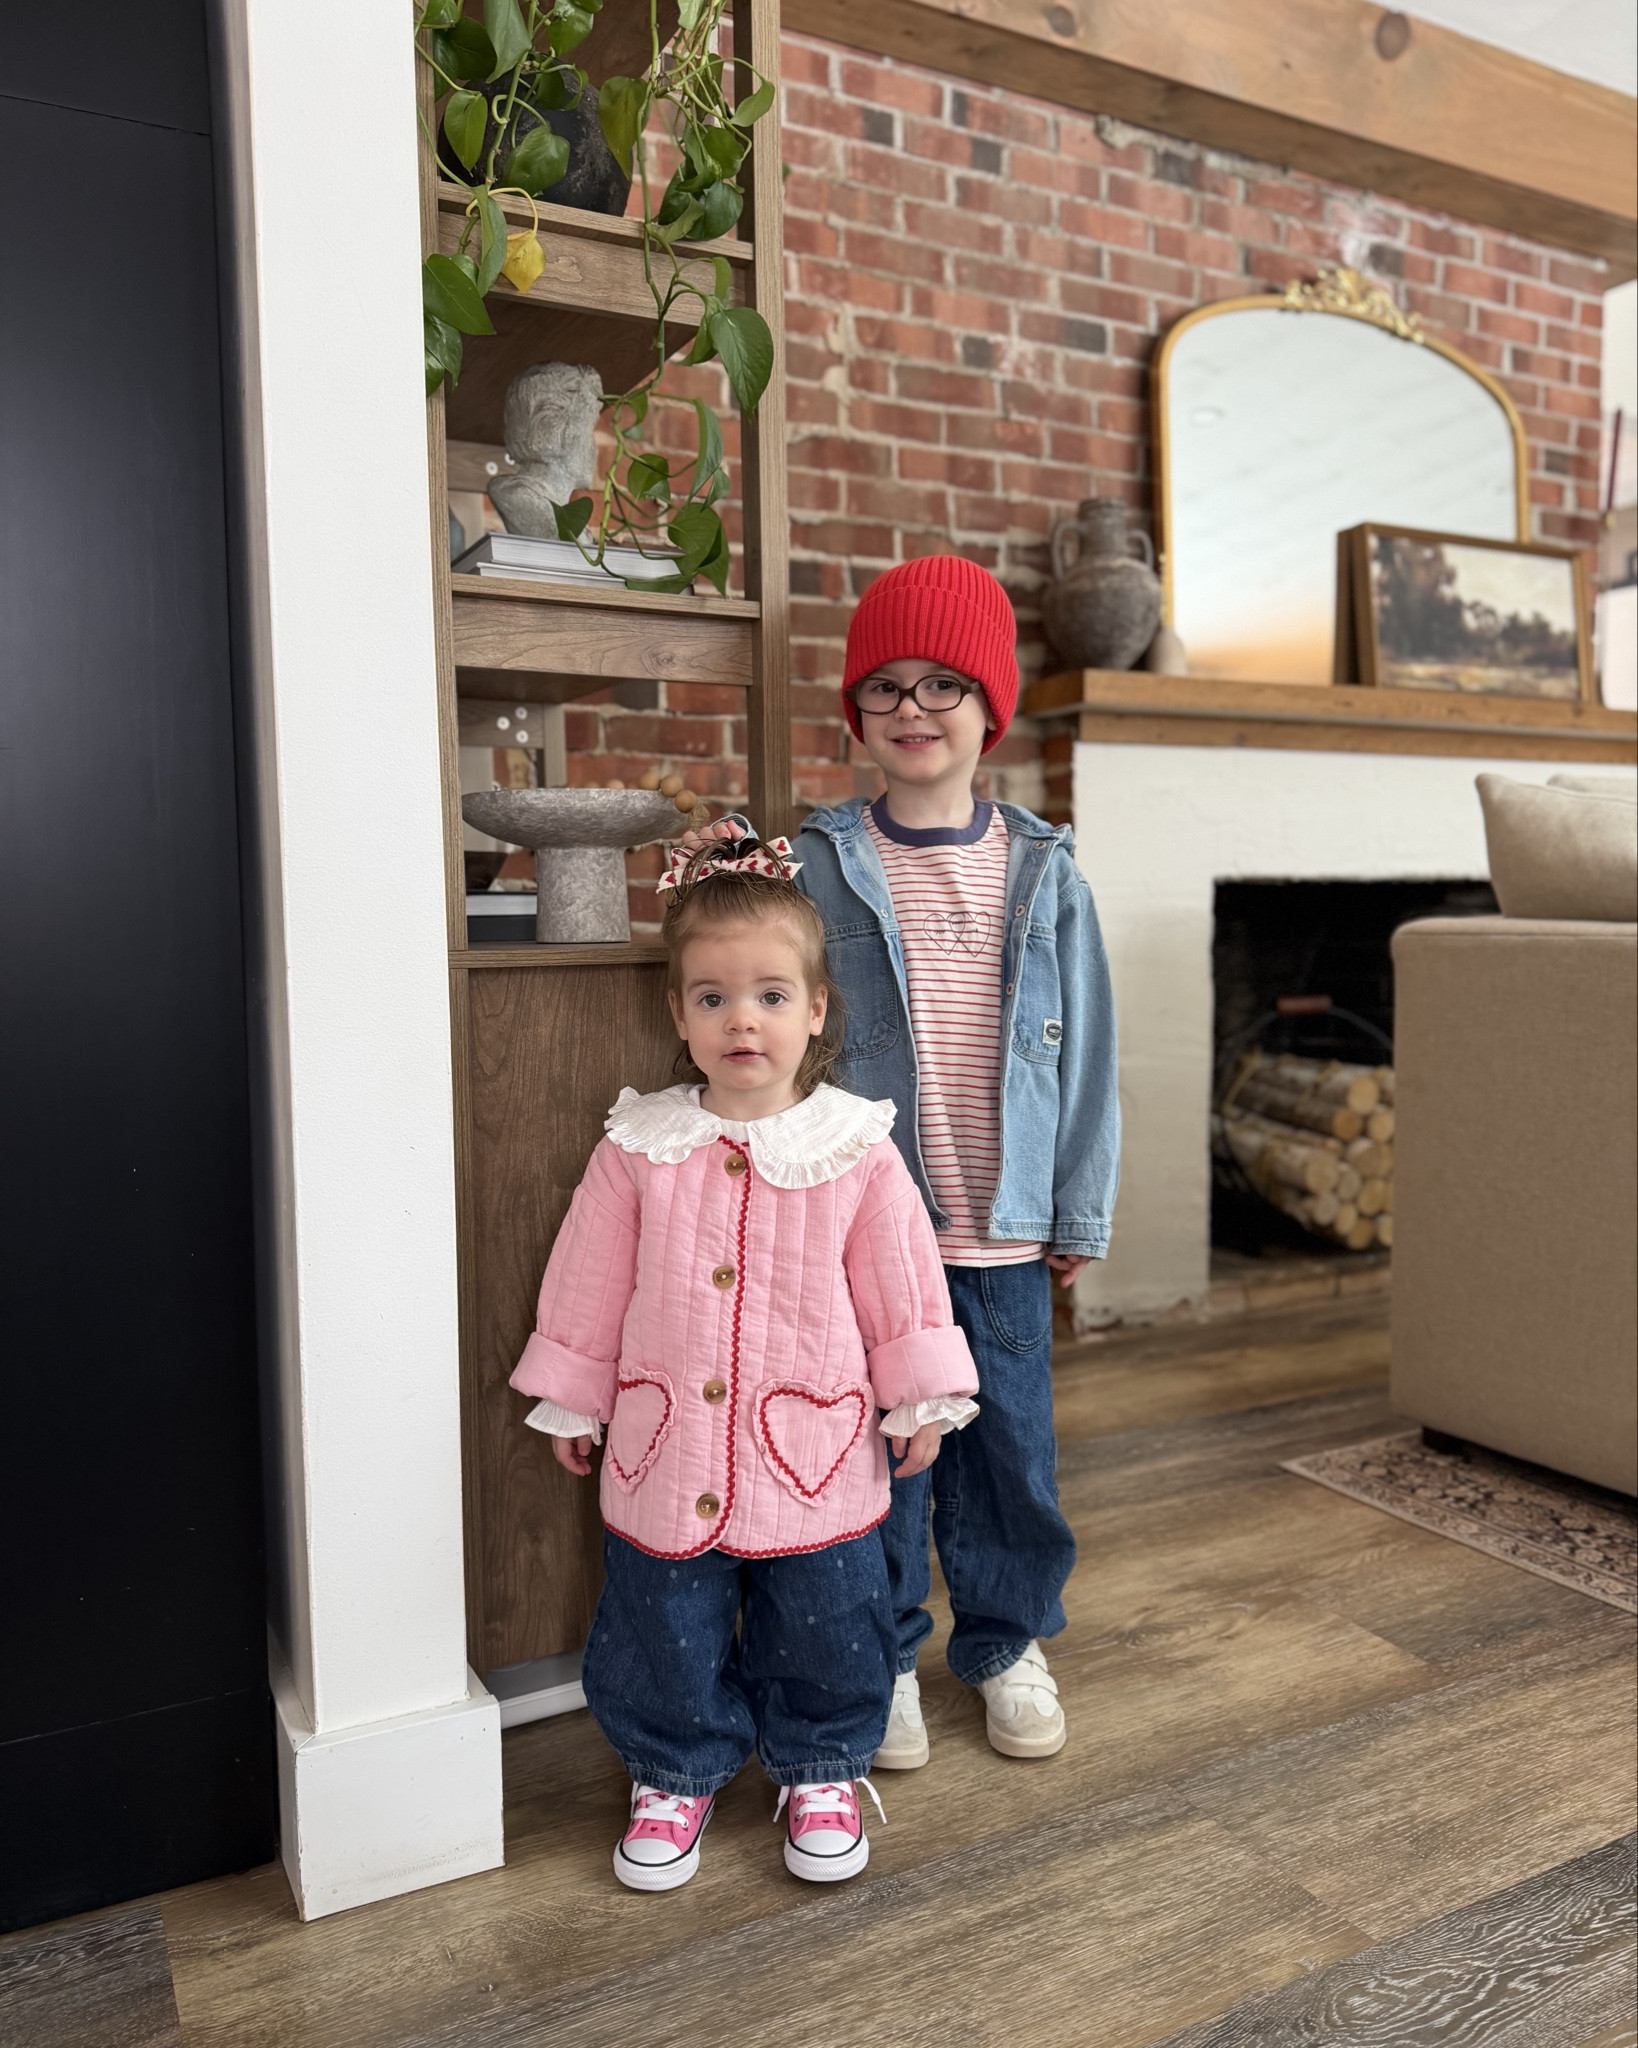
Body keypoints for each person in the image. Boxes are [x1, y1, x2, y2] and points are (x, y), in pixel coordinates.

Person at [687, 553, 1120, 1770]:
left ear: (991, 708)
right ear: (858, 716)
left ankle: (1005, 1639)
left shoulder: (1043, 869)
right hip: (868, 1236)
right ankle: (875, 1656)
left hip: (1005, 1227)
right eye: (885, 687)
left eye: (944, 685)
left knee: (1009, 1456)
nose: (915, 709)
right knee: (880, 1458)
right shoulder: (817, 863)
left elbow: (1086, 1046)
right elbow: (768, 1010)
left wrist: (1078, 1203)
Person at [509, 837, 980, 1891]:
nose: (742, 1020)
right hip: (663, 1441)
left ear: (817, 1009)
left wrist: (922, 1397)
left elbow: (904, 1285)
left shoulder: (854, 1147)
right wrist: (572, 1398)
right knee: (658, 1615)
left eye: (770, 994)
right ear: (679, 1014)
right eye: (714, 997)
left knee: (826, 1611)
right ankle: (672, 1765)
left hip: (815, 1444)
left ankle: (820, 1761)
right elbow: (587, 1277)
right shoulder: (640, 1145)